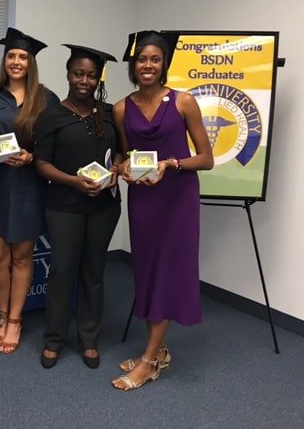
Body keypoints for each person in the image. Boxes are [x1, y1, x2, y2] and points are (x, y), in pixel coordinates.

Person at [111, 31, 213, 391]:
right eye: (141, 60)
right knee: (148, 272)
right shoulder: (122, 108)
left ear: (164, 63)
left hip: (177, 200)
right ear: (133, 65)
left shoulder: (184, 102)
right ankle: (160, 349)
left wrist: (172, 164)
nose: (147, 65)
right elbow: (125, 155)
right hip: (144, 201)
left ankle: (150, 360)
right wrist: (123, 169)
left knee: (168, 273)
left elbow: (207, 158)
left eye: (154, 59)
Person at [0, 27, 59, 354]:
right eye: (12, 55)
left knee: (22, 257)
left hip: (28, 187)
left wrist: (32, 156)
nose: (17, 61)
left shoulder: (46, 98)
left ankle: (15, 320)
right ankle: (3, 313)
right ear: (4, 60)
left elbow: (52, 147)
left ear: (31, 62)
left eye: (23, 56)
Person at [34, 44, 121, 369]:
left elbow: (123, 154)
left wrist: (116, 171)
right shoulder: (52, 115)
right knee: (61, 272)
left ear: (99, 79)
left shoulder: (109, 113)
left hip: (104, 207)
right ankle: (54, 339)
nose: (84, 80)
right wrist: (73, 181)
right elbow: (41, 164)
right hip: (64, 206)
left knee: (93, 272)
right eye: (78, 74)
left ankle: (88, 338)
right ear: (68, 75)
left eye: (91, 75)